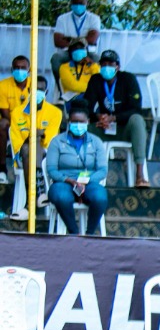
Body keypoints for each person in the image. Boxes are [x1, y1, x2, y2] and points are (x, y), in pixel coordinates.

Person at [84, 49, 150, 188]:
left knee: (137, 120)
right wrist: (98, 117)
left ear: (118, 66)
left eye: (110, 64)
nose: (106, 67)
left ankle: (140, 175)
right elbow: (86, 107)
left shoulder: (128, 79)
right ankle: (83, 176)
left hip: (124, 127)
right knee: (83, 130)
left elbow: (136, 108)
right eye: (103, 64)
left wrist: (114, 118)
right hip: (104, 127)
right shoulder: (96, 80)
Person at [46, 99, 108, 235]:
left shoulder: (96, 142)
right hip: (64, 182)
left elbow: (103, 170)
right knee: (61, 197)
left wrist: (86, 181)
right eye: (74, 122)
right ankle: (74, 233)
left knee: (100, 197)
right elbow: (51, 170)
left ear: (88, 122)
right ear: (69, 122)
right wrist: (70, 180)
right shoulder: (57, 141)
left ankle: (89, 234)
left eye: (81, 122)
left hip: (89, 182)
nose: (78, 125)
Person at [9, 76, 63, 221]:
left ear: (46, 92)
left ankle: (29, 205)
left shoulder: (55, 112)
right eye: (34, 89)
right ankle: (39, 193)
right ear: (28, 90)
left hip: (47, 154)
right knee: (29, 147)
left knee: (35, 145)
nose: (37, 92)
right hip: (22, 154)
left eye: (41, 89)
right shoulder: (17, 112)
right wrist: (36, 134)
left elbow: (49, 140)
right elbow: (17, 141)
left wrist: (34, 135)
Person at [50, 0, 101, 87]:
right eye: (75, 3)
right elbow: (57, 41)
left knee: (97, 59)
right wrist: (83, 40)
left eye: (81, 3)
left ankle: (94, 89)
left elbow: (93, 39)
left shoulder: (94, 18)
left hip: (87, 52)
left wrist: (69, 39)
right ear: (71, 3)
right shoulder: (62, 19)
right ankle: (61, 87)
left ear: (86, 3)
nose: (78, 5)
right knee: (56, 59)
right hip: (68, 52)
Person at [0, 55, 34, 184]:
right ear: (12, 69)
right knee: (2, 124)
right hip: (11, 122)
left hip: (31, 122)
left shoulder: (35, 84)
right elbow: (4, 113)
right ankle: (2, 168)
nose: (20, 70)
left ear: (29, 70)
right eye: (17, 68)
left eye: (23, 68)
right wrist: (19, 125)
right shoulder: (3, 85)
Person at [58, 39, 99, 106]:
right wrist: (92, 87)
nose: (78, 50)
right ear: (70, 52)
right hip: (73, 98)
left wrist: (93, 65)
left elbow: (98, 81)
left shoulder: (93, 66)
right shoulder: (64, 67)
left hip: (90, 97)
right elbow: (73, 85)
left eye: (81, 48)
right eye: (75, 48)